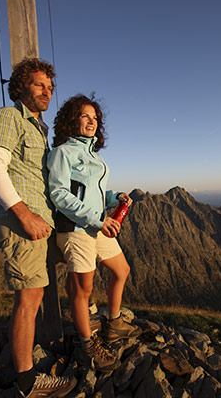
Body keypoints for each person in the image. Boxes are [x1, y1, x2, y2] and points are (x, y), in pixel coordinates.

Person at [0, 58, 75, 398]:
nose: (47, 92)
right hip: (23, 223)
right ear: (19, 86)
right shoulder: (8, 117)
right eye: (39, 85)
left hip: (41, 223)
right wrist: (24, 214)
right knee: (29, 298)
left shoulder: (39, 130)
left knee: (76, 265)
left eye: (50, 87)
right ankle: (27, 381)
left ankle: (86, 320)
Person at [48, 94, 141, 372]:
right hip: (76, 229)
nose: (92, 121)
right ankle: (86, 347)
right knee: (83, 289)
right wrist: (97, 220)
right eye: (85, 116)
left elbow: (92, 192)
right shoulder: (63, 152)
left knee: (121, 270)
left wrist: (114, 197)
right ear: (71, 120)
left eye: (95, 117)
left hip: (95, 223)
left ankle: (113, 323)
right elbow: (59, 194)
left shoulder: (93, 155)